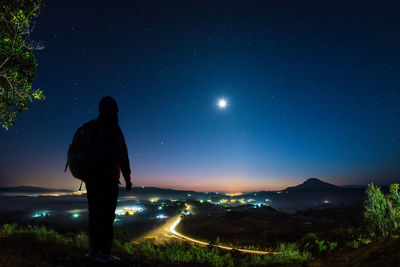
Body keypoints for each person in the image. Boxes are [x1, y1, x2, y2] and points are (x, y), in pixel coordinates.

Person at [84, 96, 132, 263]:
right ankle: (104, 253)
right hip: (108, 178)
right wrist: (128, 179)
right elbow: (123, 156)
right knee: (107, 216)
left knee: (94, 214)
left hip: (90, 178)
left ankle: (93, 250)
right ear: (114, 111)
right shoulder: (114, 129)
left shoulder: (89, 127)